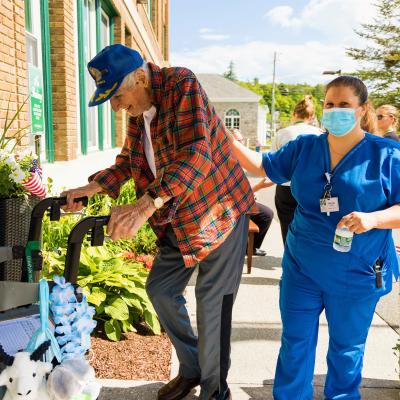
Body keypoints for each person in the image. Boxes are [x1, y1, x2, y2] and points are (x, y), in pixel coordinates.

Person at [62, 44, 256, 400]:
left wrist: (145, 205)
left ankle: (214, 391)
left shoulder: (181, 84)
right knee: (161, 291)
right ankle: (194, 367)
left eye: (117, 95)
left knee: (211, 303)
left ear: (140, 76)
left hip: (219, 213)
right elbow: (127, 163)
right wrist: (90, 187)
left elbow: (198, 153)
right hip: (177, 220)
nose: (117, 106)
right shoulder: (140, 115)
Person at [228, 75, 400, 400]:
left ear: (362, 110)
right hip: (301, 269)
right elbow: (263, 165)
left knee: (346, 352)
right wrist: (228, 141)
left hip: (357, 273)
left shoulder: (386, 154)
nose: (335, 111)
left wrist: (374, 218)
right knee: (295, 344)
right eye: (330, 104)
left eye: (344, 105)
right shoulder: (305, 147)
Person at [271, 95, 322, 243]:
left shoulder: (283, 133)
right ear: (311, 116)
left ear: (294, 114)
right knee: (311, 226)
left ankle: (290, 256)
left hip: (286, 187)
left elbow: (275, 163)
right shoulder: (319, 134)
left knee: (287, 226)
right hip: (313, 187)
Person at [230, 129, 274, 256]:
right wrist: (259, 186)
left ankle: (251, 247)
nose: (241, 143)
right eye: (237, 141)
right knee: (266, 215)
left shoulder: (237, 158)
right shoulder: (229, 160)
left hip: (238, 200)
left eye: (241, 140)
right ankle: (248, 248)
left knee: (266, 213)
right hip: (231, 204)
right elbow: (236, 194)